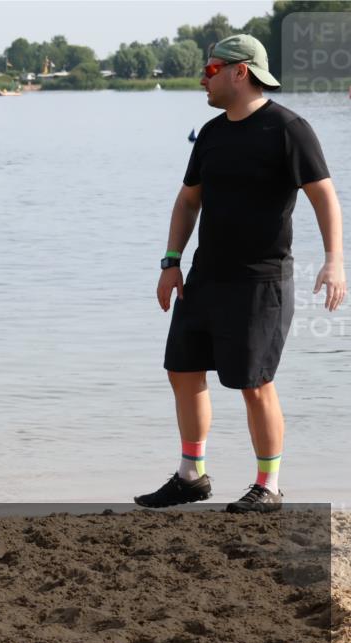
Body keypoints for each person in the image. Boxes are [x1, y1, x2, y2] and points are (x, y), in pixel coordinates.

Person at [136, 35, 345, 513]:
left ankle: (268, 485)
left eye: (210, 70)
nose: (203, 79)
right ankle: (192, 476)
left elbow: (325, 197)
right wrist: (171, 261)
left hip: (260, 282)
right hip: (205, 276)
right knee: (182, 370)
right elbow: (189, 199)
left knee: (255, 383)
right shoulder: (211, 133)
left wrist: (335, 259)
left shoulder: (288, 129)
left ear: (240, 72)